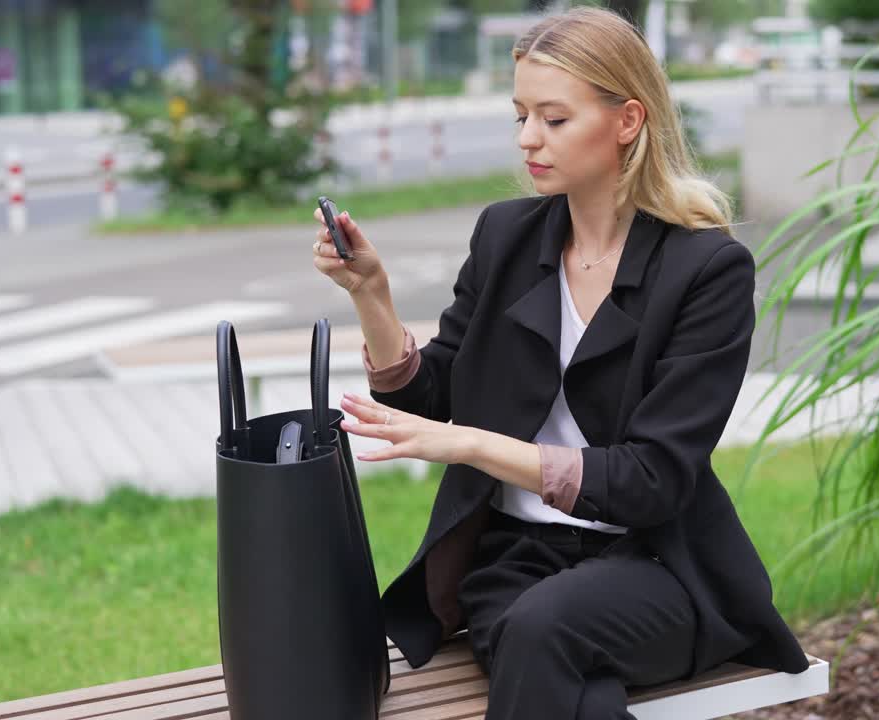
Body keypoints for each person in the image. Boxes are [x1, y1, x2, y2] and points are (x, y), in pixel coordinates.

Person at [309, 6, 810, 718]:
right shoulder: (507, 236)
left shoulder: (706, 270)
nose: (527, 139)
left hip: (659, 565)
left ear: (628, 121)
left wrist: (475, 444)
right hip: (513, 561)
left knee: (542, 631)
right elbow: (431, 395)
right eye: (521, 116)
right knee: (556, 660)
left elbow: (653, 480)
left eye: (553, 118)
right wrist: (373, 296)